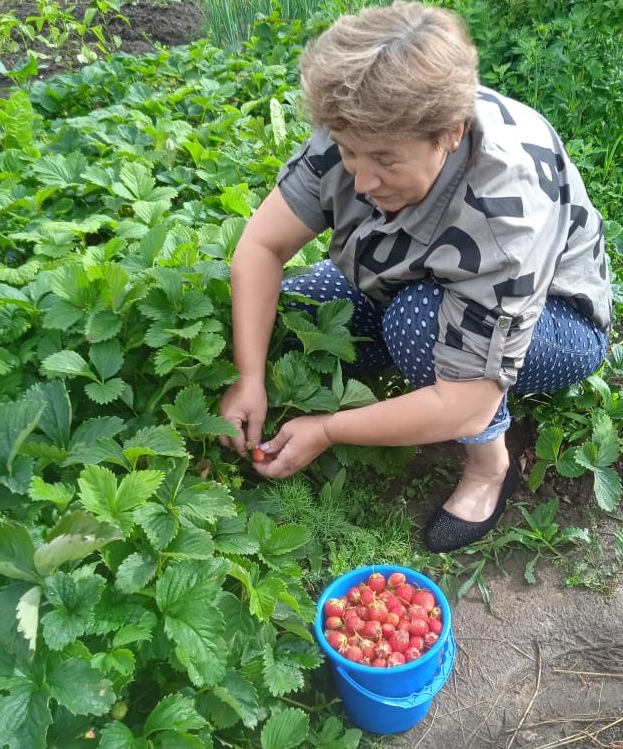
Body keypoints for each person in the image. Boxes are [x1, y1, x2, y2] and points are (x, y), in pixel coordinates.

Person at [218, 1, 611, 553]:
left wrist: (329, 429)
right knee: (291, 310)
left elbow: (464, 401)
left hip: (558, 319)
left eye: (384, 160)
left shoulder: (505, 209)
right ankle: (399, 382)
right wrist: (249, 376)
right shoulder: (363, 120)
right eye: (349, 152)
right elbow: (262, 246)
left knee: (418, 324)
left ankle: (489, 467)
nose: (361, 179)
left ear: (449, 134)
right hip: (406, 272)